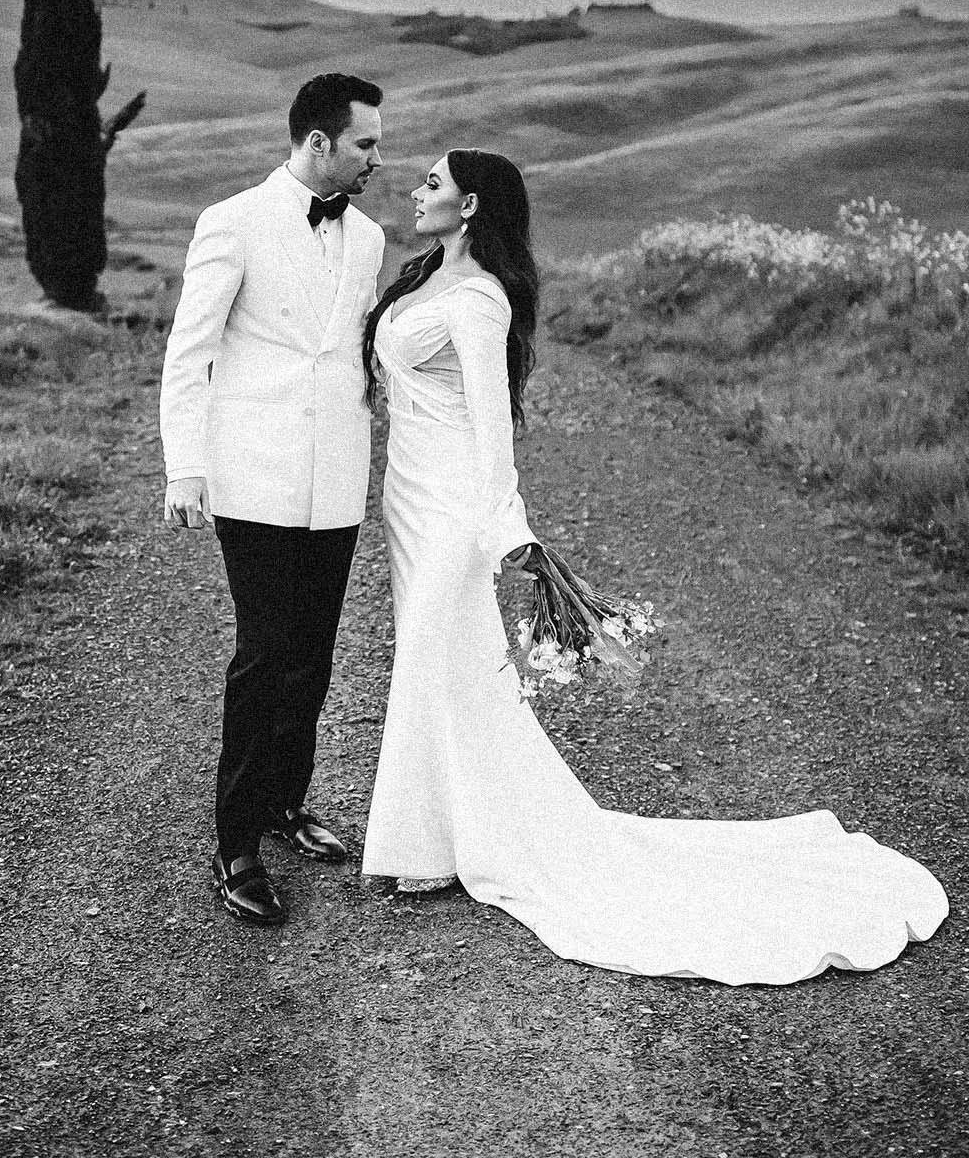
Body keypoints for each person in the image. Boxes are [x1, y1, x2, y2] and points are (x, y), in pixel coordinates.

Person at [360, 149, 949, 984]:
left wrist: (510, 535)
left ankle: (428, 846)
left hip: (455, 512)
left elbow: (494, 435)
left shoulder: (481, 300)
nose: (417, 192)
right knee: (445, 669)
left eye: (432, 183)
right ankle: (445, 833)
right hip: (407, 505)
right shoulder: (423, 274)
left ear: (471, 204)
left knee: (430, 659)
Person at [160, 73, 385, 926]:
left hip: (336, 479)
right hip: (251, 475)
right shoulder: (232, 222)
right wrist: (186, 469)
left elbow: (354, 353)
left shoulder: (365, 238)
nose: (377, 157)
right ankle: (237, 842)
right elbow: (191, 352)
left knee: (316, 651)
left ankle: (289, 802)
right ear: (319, 143)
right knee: (265, 650)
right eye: (365, 143)